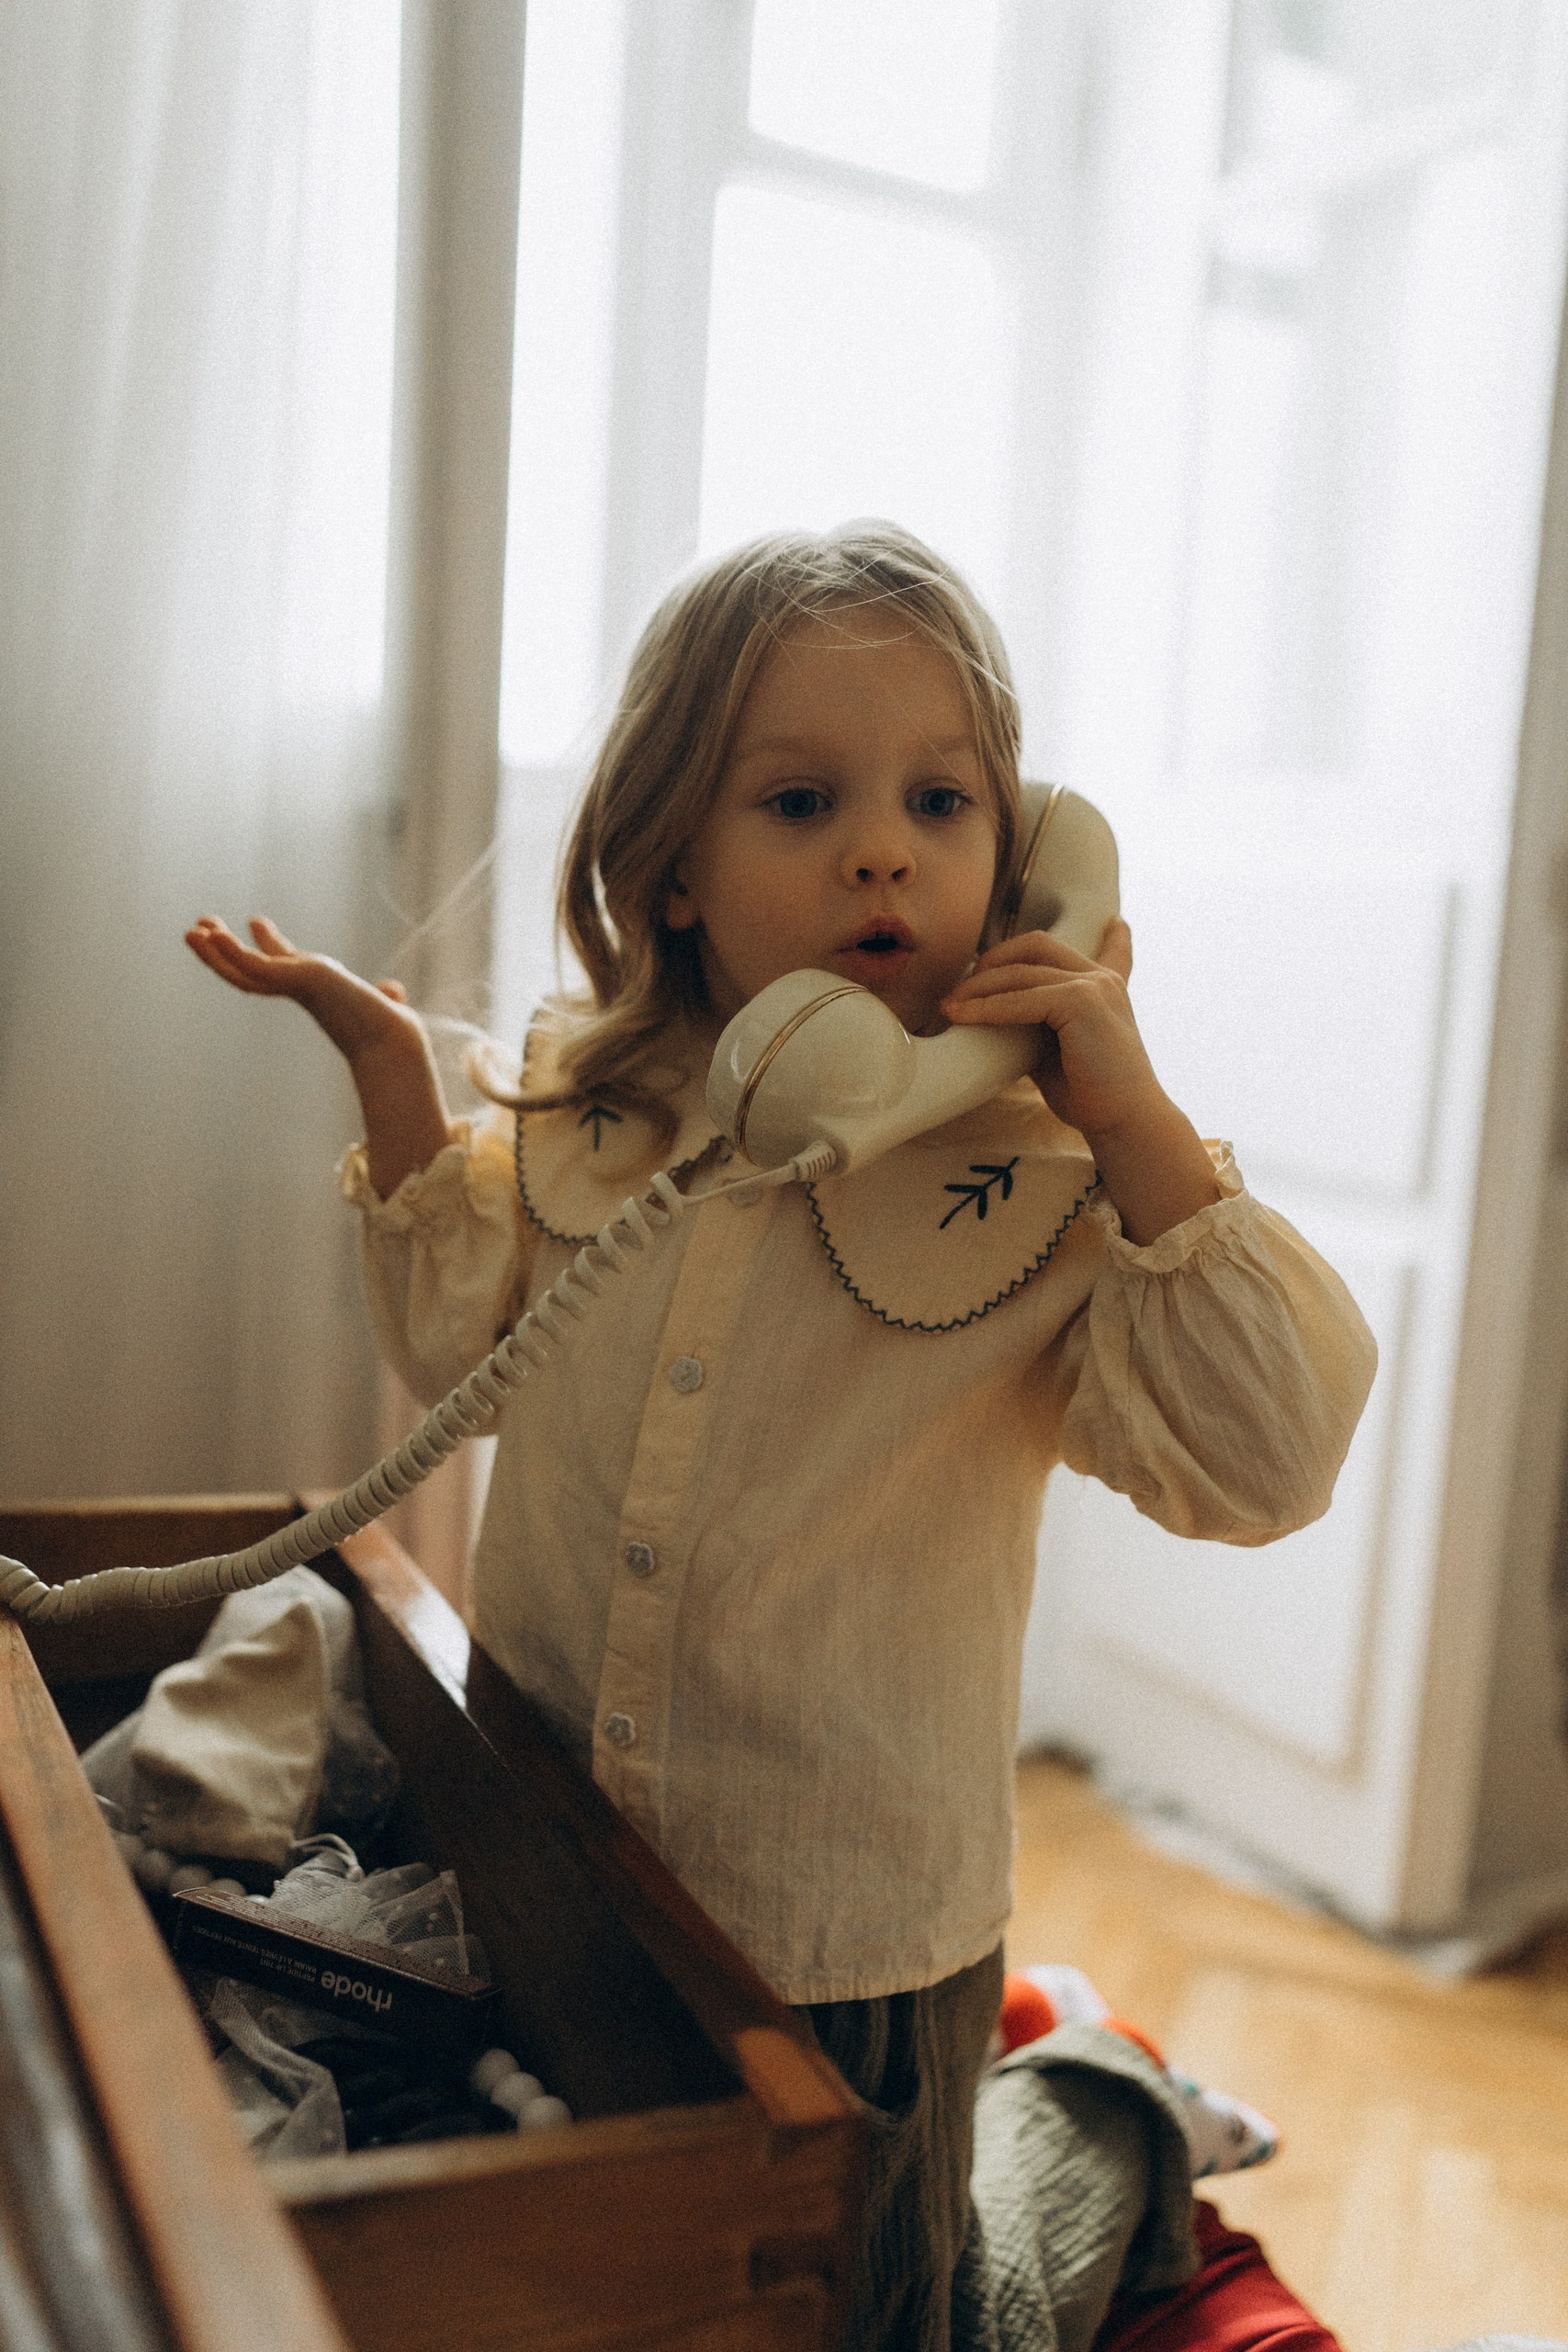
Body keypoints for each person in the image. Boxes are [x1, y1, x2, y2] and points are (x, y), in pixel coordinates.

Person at [186, 522, 1376, 2352]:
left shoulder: (1049, 1186)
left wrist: (1130, 1112)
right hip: (566, 1876)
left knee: (893, 2323)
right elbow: (448, 1342)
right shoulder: (596, 1109)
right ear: (671, 868)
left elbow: (1268, 1455)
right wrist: (397, 1085)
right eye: (802, 799)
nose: (882, 845)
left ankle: (1096, 2114)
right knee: (641, 2276)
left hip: (847, 1942)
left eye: (941, 799)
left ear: (1027, 854)